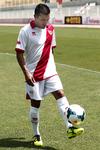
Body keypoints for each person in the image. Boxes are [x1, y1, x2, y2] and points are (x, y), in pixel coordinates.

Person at [15, 3, 84, 147]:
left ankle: (70, 128)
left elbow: (50, 50)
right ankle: (37, 135)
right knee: (36, 105)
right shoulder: (25, 31)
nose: (45, 23)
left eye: (47, 19)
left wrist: (50, 67)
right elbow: (19, 53)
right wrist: (26, 72)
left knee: (60, 94)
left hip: (50, 72)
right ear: (35, 17)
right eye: (42, 20)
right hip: (34, 75)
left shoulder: (51, 29)